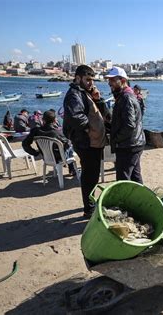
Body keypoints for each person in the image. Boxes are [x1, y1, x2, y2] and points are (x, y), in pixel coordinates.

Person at [63, 65, 111, 216]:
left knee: (93, 174)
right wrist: (89, 129)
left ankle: (90, 204)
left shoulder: (85, 93)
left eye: (92, 80)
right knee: (90, 175)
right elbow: (76, 116)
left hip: (91, 142)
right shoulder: (74, 94)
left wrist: (97, 99)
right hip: (85, 142)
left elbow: (103, 114)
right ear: (78, 78)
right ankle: (89, 208)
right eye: (88, 80)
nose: (91, 83)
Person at [105, 67, 146, 183]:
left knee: (123, 180)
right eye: (109, 80)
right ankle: (141, 200)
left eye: (113, 80)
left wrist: (116, 139)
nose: (109, 83)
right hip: (134, 143)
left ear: (122, 81)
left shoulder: (126, 98)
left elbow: (129, 125)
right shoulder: (126, 96)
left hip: (129, 145)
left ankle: (130, 200)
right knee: (135, 177)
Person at [22, 110, 76, 175]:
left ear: (43, 120)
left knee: (66, 145)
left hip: (45, 156)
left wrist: (35, 153)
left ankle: (65, 168)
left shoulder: (35, 130)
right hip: (58, 157)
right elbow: (67, 144)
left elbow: (25, 144)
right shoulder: (56, 132)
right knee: (69, 146)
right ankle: (71, 169)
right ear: (54, 121)